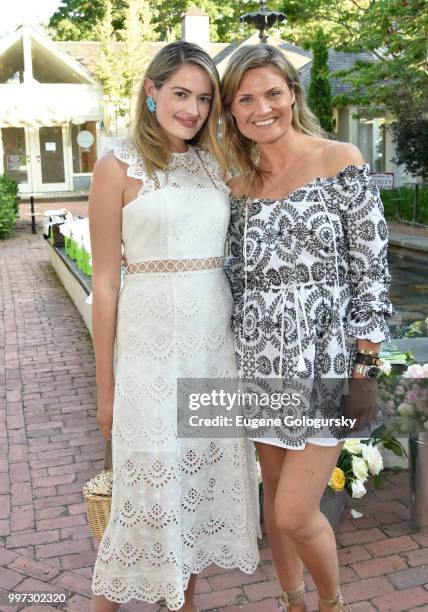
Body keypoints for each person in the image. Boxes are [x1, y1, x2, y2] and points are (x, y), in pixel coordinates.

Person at [88, 41, 260, 612]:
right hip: (149, 361)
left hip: (213, 354)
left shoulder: (214, 166)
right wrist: (105, 388)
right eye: (181, 93)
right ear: (151, 90)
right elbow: (106, 287)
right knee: (145, 499)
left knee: (191, 504)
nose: (192, 109)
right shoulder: (116, 168)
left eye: (204, 99)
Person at [221, 44, 394, 612]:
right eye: (245, 99)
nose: (260, 107)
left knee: (296, 511)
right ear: (232, 111)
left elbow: (371, 275)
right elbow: (238, 282)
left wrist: (365, 372)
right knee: (276, 506)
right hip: (262, 365)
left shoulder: (339, 159)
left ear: (293, 95)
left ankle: (330, 601)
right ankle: (292, 601)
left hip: (327, 365)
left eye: (272, 92)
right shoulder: (237, 185)